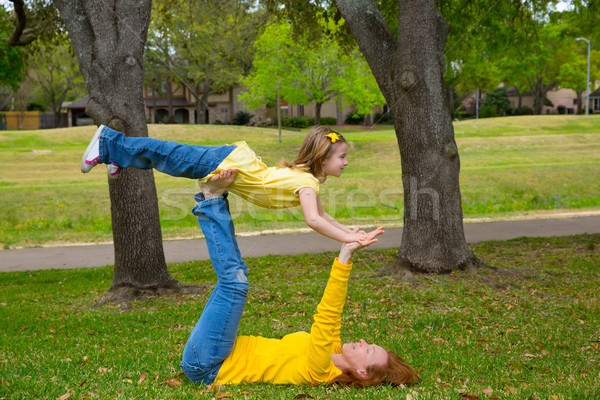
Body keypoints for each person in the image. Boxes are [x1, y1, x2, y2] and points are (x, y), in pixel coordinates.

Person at [180, 170, 418, 387]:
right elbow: (334, 313)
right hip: (218, 351)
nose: (364, 342)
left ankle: (212, 200)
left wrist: (345, 256)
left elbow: (325, 316)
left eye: (368, 351)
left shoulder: (321, 370)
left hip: (209, 365)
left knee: (235, 283)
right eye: (370, 345)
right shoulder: (333, 350)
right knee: (237, 275)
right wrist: (347, 250)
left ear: (362, 372)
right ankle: (214, 200)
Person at [81, 124, 369, 244]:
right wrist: (348, 239)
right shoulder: (306, 183)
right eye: (342, 156)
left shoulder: (307, 180)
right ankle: (109, 142)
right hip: (225, 163)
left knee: (168, 159)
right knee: (167, 155)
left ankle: (118, 154)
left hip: (228, 161)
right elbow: (314, 220)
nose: (345, 162)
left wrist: (350, 230)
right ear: (323, 156)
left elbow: (323, 216)